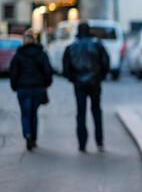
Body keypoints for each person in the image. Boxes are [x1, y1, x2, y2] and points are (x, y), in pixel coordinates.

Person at [63, 22, 110, 153]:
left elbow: (66, 68)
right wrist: (100, 77)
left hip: (79, 83)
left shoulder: (72, 46)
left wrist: (74, 78)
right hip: (95, 82)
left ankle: (82, 143)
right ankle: (99, 142)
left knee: (80, 113)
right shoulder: (97, 45)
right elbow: (106, 62)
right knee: (96, 111)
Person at [9, 29, 53, 151]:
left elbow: (13, 73)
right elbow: (48, 71)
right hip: (37, 88)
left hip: (23, 88)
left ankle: (27, 134)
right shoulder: (41, 54)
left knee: (25, 113)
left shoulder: (18, 55)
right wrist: (46, 84)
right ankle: (33, 138)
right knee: (34, 113)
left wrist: (14, 86)